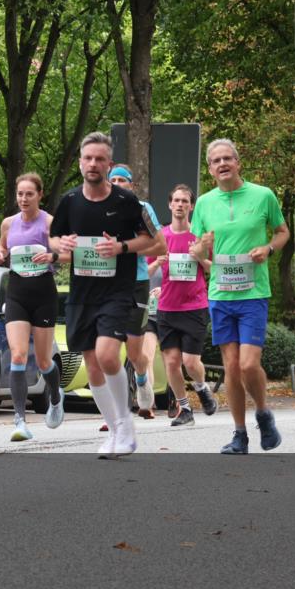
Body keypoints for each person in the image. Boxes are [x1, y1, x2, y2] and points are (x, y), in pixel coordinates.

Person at [51, 132, 158, 458]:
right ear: (81, 162)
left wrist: (122, 247)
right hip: (83, 294)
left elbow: (156, 243)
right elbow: (54, 240)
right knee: (92, 364)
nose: (93, 164)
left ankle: (125, 423)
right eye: (88, 158)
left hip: (119, 291)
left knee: (109, 355)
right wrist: (62, 246)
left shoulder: (128, 204)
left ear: (108, 165)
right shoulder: (70, 201)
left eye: (100, 159)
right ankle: (114, 428)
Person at [189, 139, 290, 454]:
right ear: (210, 169)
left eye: (227, 159)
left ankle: (262, 412)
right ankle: (239, 434)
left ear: (238, 162)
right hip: (220, 294)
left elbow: (282, 231)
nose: (222, 164)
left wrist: (269, 247)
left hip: (253, 293)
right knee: (231, 366)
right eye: (216, 161)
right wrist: (202, 247)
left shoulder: (263, 196)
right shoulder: (204, 203)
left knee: (248, 365)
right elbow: (195, 249)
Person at [0, 173, 65, 441]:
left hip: (43, 293)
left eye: (29, 194)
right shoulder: (8, 224)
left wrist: (52, 255)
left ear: (39, 195)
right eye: (20, 194)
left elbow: (68, 253)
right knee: (19, 355)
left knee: (44, 361)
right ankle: (20, 421)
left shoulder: (48, 223)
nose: (23, 199)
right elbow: (1, 248)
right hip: (17, 293)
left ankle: (56, 397)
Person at [149, 183, 218, 427]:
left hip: (194, 306)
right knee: (171, 361)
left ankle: (201, 387)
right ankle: (184, 409)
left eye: (184, 201)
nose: (180, 205)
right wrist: (157, 263)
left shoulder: (200, 237)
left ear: (191, 207)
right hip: (166, 308)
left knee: (190, 362)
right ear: (170, 204)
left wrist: (200, 257)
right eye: (176, 200)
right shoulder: (161, 237)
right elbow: (145, 272)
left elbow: (216, 269)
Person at [108, 166, 167, 419]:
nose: (118, 183)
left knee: (134, 353)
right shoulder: (99, 207)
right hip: (107, 284)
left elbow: (157, 245)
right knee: (107, 350)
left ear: (132, 184)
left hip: (137, 282)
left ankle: (142, 378)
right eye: (114, 179)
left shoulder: (143, 208)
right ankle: (114, 413)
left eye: (123, 179)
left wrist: (124, 249)